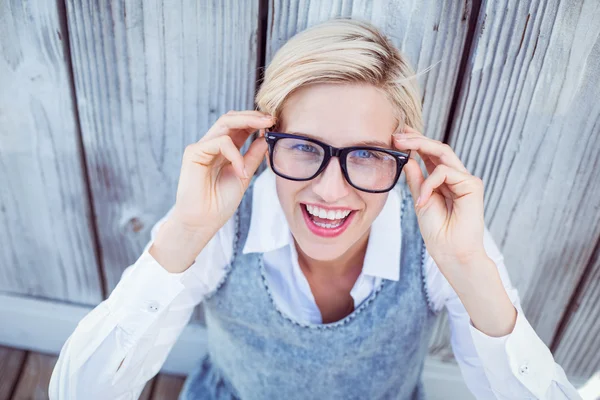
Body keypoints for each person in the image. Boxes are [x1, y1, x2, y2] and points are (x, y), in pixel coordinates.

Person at [49, 18, 581, 400]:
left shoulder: (442, 235)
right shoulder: (220, 222)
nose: (330, 190)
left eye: (368, 155)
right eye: (305, 146)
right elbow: (78, 392)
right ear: (266, 140)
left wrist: (469, 271)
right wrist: (184, 234)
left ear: (405, 153)